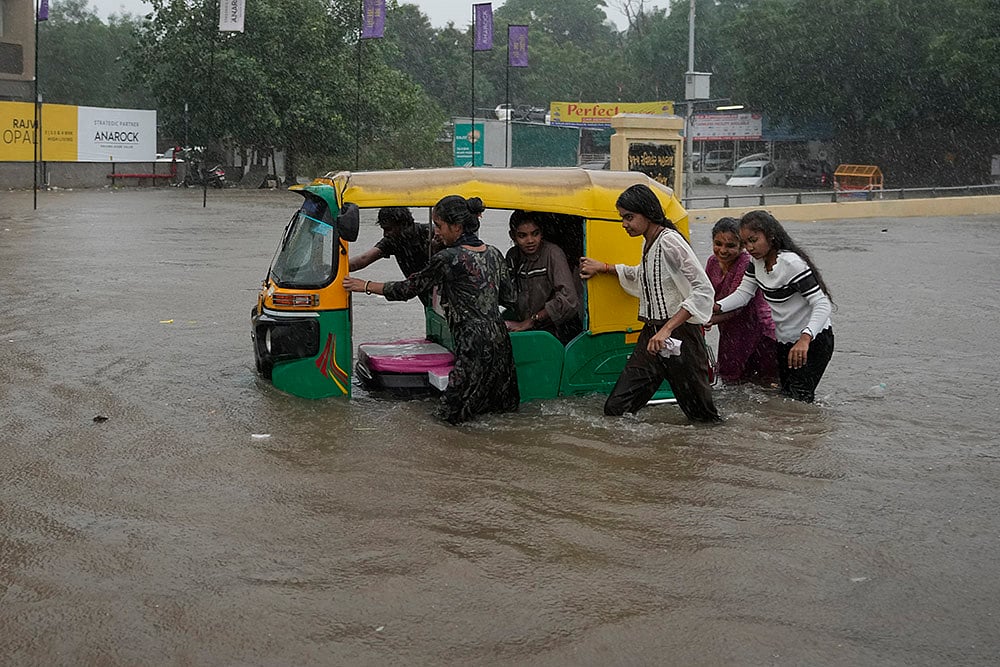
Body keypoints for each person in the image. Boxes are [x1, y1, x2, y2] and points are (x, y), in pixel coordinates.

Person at [343, 195, 519, 425]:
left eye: (439, 226)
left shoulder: (448, 258)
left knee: (446, 418)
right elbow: (509, 297)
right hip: (500, 341)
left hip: (471, 343)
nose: (436, 232)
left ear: (456, 227)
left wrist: (364, 285)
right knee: (500, 411)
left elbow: (407, 289)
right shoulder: (494, 253)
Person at [579, 183, 721, 423]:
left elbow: (703, 289)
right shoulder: (650, 242)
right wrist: (603, 268)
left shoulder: (669, 242)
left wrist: (667, 329)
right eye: (623, 217)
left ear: (647, 213)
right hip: (652, 336)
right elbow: (642, 275)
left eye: (629, 217)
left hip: (680, 337)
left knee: (703, 417)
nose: (624, 224)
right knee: (617, 408)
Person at [714, 210, 834, 403]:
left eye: (753, 240)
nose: (749, 248)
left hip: (813, 341)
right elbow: (743, 294)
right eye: (745, 243)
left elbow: (822, 303)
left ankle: (811, 432)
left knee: (799, 400)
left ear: (771, 236)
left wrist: (805, 339)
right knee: (787, 400)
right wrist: (716, 307)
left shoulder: (791, 264)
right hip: (784, 341)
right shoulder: (756, 263)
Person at [704, 217, 778, 386]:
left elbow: (739, 304)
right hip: (729, 330)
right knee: (731, 378)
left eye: (730, 246)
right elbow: (706, 293)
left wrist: (708, 319)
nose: (722, 250)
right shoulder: (712, 262)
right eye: (718, 243)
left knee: (764, 384)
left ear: (742, 246)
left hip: (756, 329)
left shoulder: (746, 263)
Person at [504, 210, 583, 344]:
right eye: (522, 235)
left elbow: (569, 300)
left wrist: (531, 321)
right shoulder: (513, 256)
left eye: (535, 234)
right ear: (512, 236)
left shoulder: (553, 253)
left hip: (557, 330)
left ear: (542, 233)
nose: (530, 241)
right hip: (530, 330)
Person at [349, 207, 438, 305]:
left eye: (388, 229)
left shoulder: (433, 235)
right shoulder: (393, 241)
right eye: (383, 229)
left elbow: (408, 289)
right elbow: (363, 259)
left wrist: (366, 286)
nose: (385, 234)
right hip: (427, 299)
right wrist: (335, 268)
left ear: (403, 225)